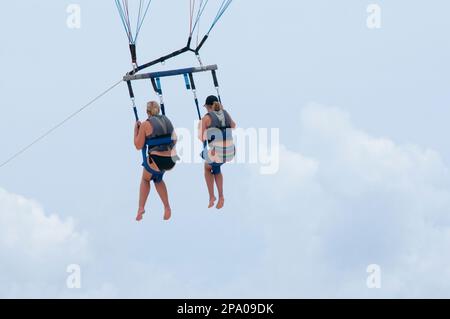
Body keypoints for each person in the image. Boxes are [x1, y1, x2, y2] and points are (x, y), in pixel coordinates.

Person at [134, 101, 178, 222]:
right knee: (158, 179)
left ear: (147, 112)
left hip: (156, 161)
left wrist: (136, 130)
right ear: (158, 110)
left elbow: (138, 145)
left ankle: (141, 208)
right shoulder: (167, 120)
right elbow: (175, 139)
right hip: (170, 161)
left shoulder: (145, 124)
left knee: (145, 179)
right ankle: (167, 206)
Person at [199, 95, 236, 209]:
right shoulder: (225, 113)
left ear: (208, 107)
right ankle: (221, 196)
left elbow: (201, 138)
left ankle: (212, 196)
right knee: (216, 168)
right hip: (231, 151)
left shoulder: (206, 118)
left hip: (218, 152)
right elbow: (233, 126)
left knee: (207, 168)